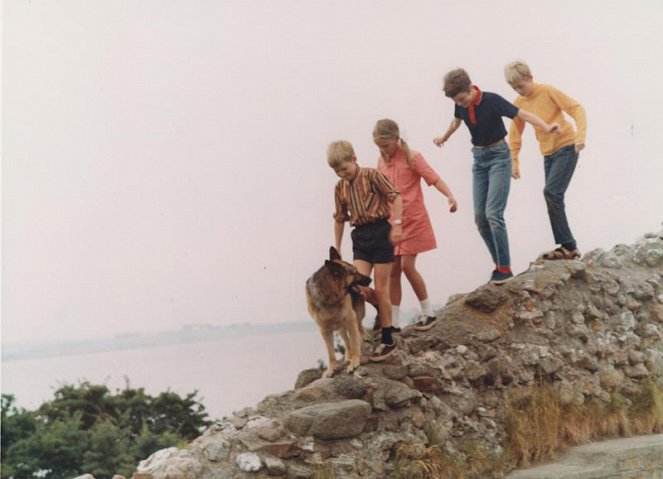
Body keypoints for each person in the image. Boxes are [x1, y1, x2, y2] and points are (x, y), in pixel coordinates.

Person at [433, 68, 559, 283]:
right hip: (479, 160)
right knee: (480, 218)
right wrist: (444, 137)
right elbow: (457, 120)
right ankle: (498, 265)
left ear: (470, 88)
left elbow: (523, 115)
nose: (461, 103)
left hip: (499, 157)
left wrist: (547, 127)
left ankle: (505, 268)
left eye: (463, 99)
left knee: (493, 214)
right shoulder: (459, 103)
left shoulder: (492, 100)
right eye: (457, 101)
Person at [373, 119, 457, 332]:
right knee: (393, 271)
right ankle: (393, 322)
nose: (384, 150)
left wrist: (449, 196)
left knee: (408, 266)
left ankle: (428, 313)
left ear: (396, 138)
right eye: (379, 147)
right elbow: (380, 193)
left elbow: (433, 178)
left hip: (414, 220)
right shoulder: (381, 162)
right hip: (392, 224)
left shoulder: (413, 157)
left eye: (386, 145)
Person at [327, 140, 403, 362]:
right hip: (359, 236)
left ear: (354, 159)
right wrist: (337, 248)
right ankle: (383, 309)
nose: (342, 174)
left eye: (344, 168)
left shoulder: (372, 175)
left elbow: (395, 196)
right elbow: (340, 218)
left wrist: (397, 224)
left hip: (380, 232)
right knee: (358, 286)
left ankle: (388, 338)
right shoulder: (339, 188)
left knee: (381, 288)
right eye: (337, 171)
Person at [504, 60, 587, 260]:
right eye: (514, 87)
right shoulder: (519, 103)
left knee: (552, 192)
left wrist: (580, 137)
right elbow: (515, 133)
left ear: (530, 78)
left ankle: (569, 246)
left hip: (567, 146)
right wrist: (514, 161)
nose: (518, 90)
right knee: (552, 196)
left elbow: (577, 108)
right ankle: (567, 247)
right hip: (548, 154)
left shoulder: (547, 91)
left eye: (520, 86)